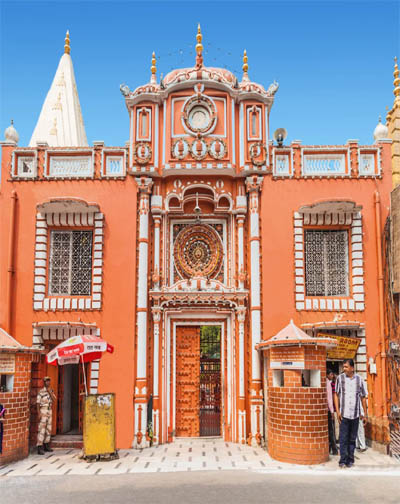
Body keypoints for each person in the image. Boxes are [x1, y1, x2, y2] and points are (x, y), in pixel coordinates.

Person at [334, 359, 368, 468]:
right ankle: (342, 461)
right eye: (343, 367)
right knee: (343, 438)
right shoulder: (340, 378)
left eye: (346, 367)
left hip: (355, 415)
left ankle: (350, 460)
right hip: (344, 414)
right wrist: (338, 411)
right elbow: (336, 394)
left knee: (352, 439)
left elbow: (363, 397)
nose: (344, 369)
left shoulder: (359, 380)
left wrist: (365, 414)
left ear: (352, 368)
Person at [36, 376, 56, 455]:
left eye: (48, 381)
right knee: (42, 429)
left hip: (49, 410)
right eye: (46, 381)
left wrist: (50, 392)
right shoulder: (41, 392)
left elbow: (54, 399)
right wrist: (39, 413)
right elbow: (38, 403)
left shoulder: (51, 390)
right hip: (43, 410)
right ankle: (39, 447)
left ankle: (46, 445)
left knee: (49, 429)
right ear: (44, 382)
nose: (48, 382)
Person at [326, 369, 338, 455]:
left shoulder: (325, 382)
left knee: (329, 431)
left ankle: (329, 448)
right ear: (327, 375)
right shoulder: (328, 384)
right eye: (331, 374)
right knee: (332, 430)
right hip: (329, 410)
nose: (332, 376)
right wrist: (332, 411)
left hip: (325, 410)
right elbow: (329, 399)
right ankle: (334, 450)